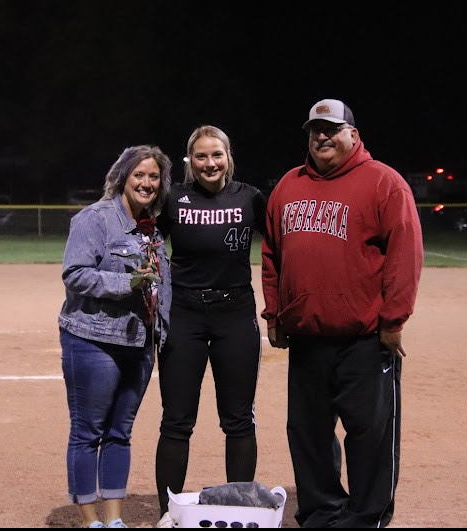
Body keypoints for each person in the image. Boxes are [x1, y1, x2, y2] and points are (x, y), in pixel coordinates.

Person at [261, 99, 423, 528]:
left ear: (353, 133)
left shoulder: (383, 183)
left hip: (364, 338)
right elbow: (272, 254)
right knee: (308, 432)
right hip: (307, 337)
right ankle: (321, 510)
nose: (321, 137)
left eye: (331, 128)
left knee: (369, 434)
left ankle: (366, 516)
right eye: (315, 130)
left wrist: (393, 320)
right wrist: (274, 314)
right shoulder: (288, 186)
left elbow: (405, 256)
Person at [154, 125, 267, 527]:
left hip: (235, 315)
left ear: (228, 156)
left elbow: (283, 246)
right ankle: (167, 513)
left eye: (216, 155)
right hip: (184, 315)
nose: (209, 163)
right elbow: (145, 241)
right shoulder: (173, 199)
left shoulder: (250, 197)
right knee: (176, 419)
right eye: (200, 156)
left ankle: (238, 511)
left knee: (238, 419)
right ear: (190, 161)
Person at [59, 145, 173, 529]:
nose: (147, 183)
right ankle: (90, 520)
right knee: (88, 430)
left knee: (120, 433)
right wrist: (128, 281)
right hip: (93, 339)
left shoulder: (151, 229)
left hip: (139, 342)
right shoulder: (95, 219)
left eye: (154, 176)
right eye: (139, 175)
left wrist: (165, 332)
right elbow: (75, 274)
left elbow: (161, 285)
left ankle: (114, 520)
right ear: (123, 176)